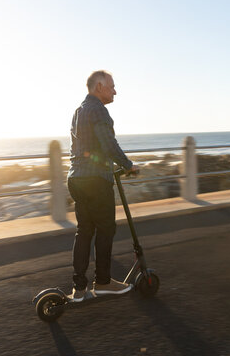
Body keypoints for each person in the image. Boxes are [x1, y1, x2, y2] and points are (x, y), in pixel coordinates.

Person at [67, 70, 139, 302]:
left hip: (76, 178)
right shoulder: (99, 110)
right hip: (96, 180)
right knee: (106, 228)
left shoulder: (79, 111)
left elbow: (80, 148)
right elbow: (109, 144)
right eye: (112, 86)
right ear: (99, 87)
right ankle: (104, 282)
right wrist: (128, 165)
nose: (115, 91)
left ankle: (79, 289)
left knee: (84, 231)